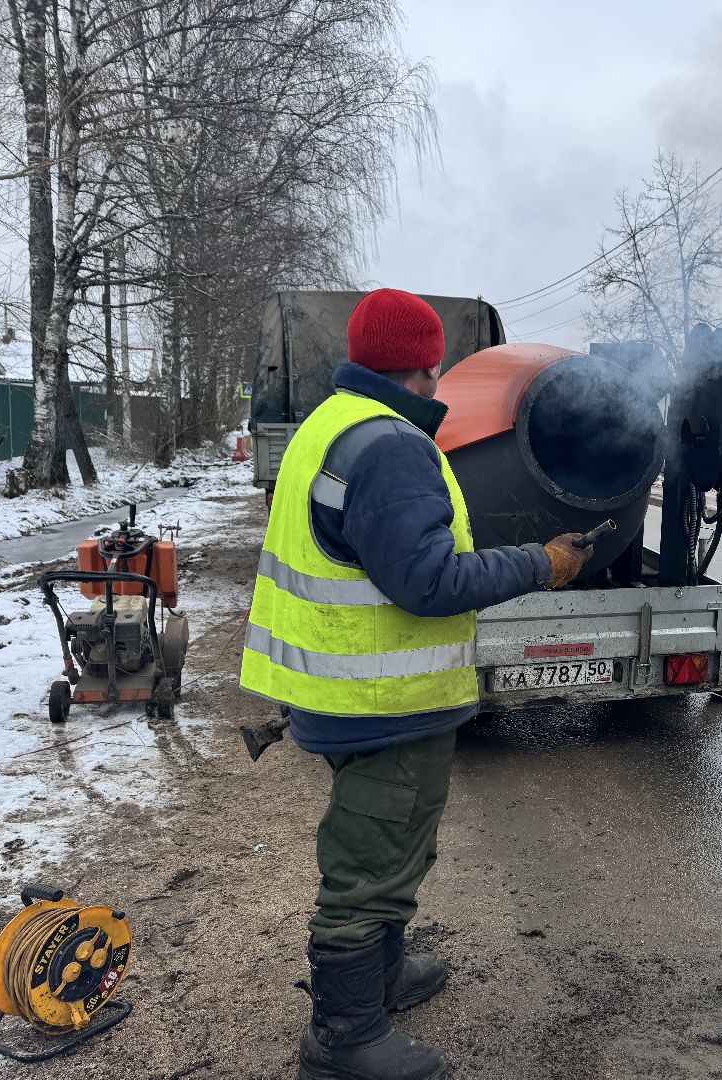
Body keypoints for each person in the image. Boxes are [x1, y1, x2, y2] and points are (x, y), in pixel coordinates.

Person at [239, 288, 592, 1079]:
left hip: (343, 691)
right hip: (382, 700)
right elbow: (425, 580)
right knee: (369, 863)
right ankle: (345, 1037)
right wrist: (541, 563)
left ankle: (385, 977)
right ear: (429, 364)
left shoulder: (327, 423)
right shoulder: (393, 444)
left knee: (393, 846)